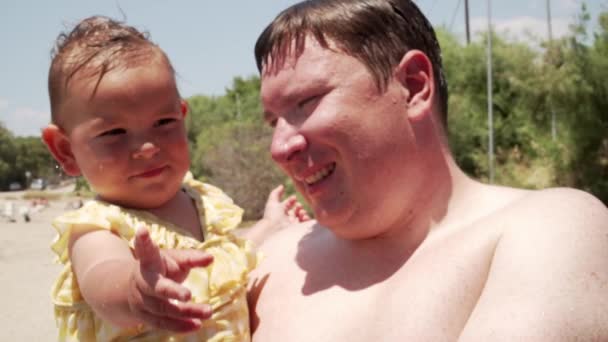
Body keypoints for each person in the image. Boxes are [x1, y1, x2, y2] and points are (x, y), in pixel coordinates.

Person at [248, 0, 608, 340]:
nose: (279, 148)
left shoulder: (547, 228)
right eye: (273, 121)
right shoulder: (265, 260)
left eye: (306, 103)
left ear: (414, 86)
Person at [42, 16, 307, 341]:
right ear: (65, 151)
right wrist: (134, 288)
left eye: (163, 122)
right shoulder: (97, 228)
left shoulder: (202, 201)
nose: (147, 147)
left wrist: (269, 225)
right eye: (114, 132)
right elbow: (101, 277)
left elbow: (222, 263)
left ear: (182, 117)